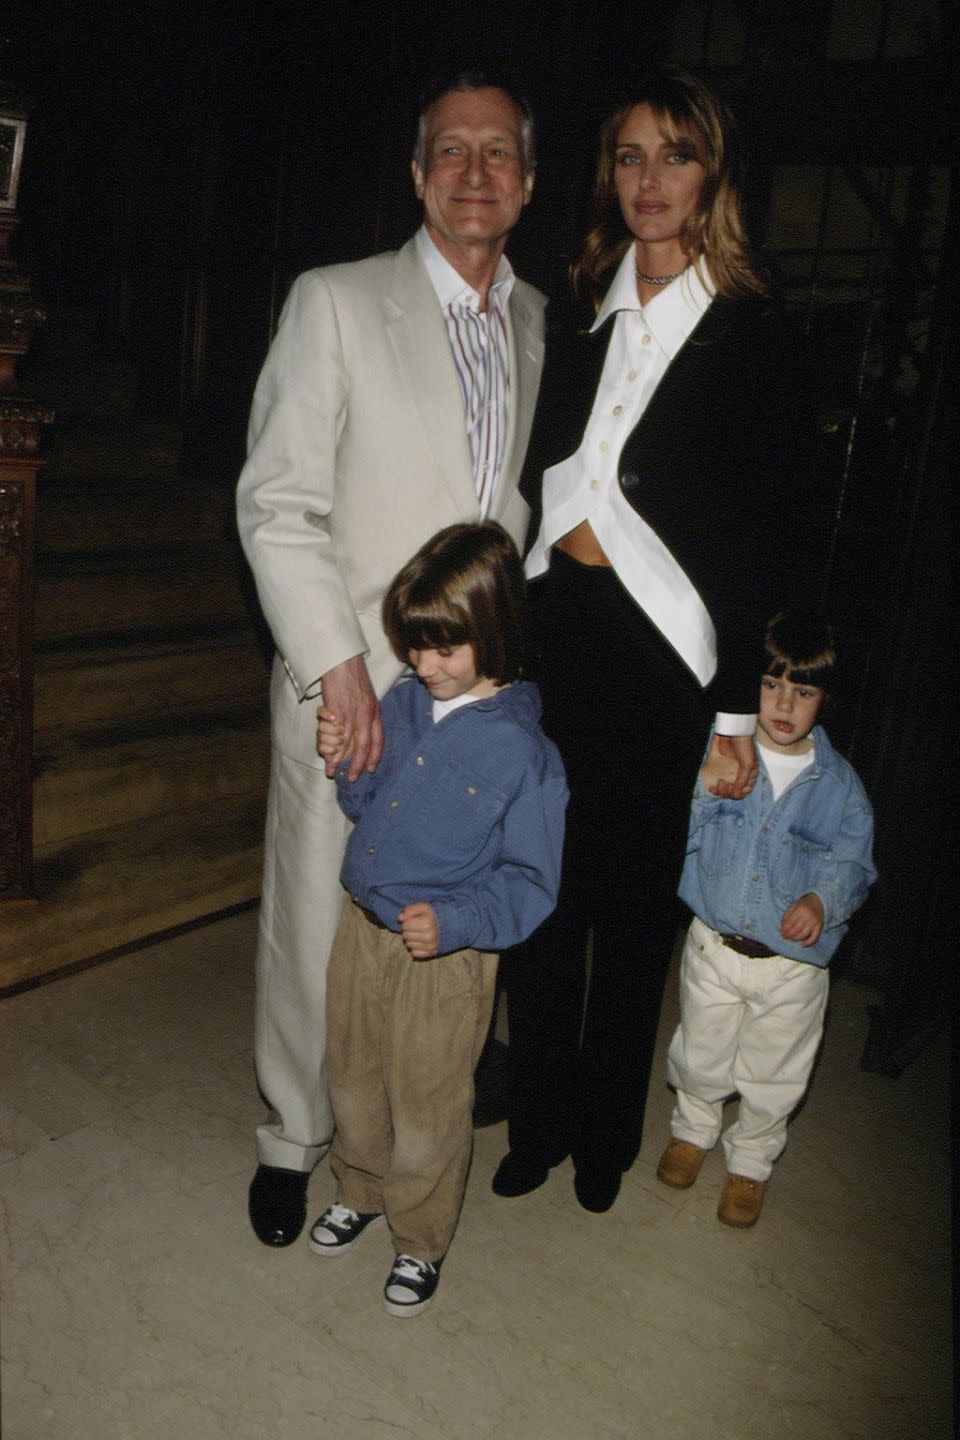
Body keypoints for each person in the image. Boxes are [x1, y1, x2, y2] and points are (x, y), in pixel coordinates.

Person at [494, 67, 823, 1214]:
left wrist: (736, 711)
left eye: (674, 156)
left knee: (633, 919)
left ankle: (600, 1138)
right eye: (630, 156)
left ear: (713, 173)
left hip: (662, 661)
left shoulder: (755, 332)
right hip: (555, 636)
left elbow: (770, 539)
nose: (649, 180)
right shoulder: (576, 307)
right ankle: (534, 1116)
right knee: (541, 899)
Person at [237, 72, 545, 1246]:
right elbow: (274, 505)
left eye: (499, 153)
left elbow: (505, 509)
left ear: (524, 184)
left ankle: (401, 1134)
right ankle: (288, 1136)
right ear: (418, 177)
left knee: (434, 925)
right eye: (451, 152)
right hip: (352, 680)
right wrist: (338, 665)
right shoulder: (336, 301)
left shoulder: (530, 321)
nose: (476, 172)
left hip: (475, 702)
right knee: (316, 914)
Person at [307, 522, 566, 1316]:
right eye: (415, 647)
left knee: (427, 1104)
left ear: (495, 630)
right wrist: (344, 756)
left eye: (445, 649)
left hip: (446, 958)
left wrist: (454, 922)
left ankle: (419, 1239)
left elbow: (531, 883)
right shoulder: (407, 703)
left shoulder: (525, 755)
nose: (425, 666)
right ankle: (361, 1186)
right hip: (363, 927)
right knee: (351, 1076)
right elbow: (364, 802)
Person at [656, 611, 876, 1225]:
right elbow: (676, 834)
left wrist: (822, 902)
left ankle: (750, 1163)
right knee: (700, 1051)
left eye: (803, 691)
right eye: (772, 685)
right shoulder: (719, 752)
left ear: (823, 700)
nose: (784, 703)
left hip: (792, 970)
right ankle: (692, 1131)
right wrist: (701, 786)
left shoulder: (840, 786)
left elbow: (854, 863)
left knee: (774, 1072)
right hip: (713, 946)